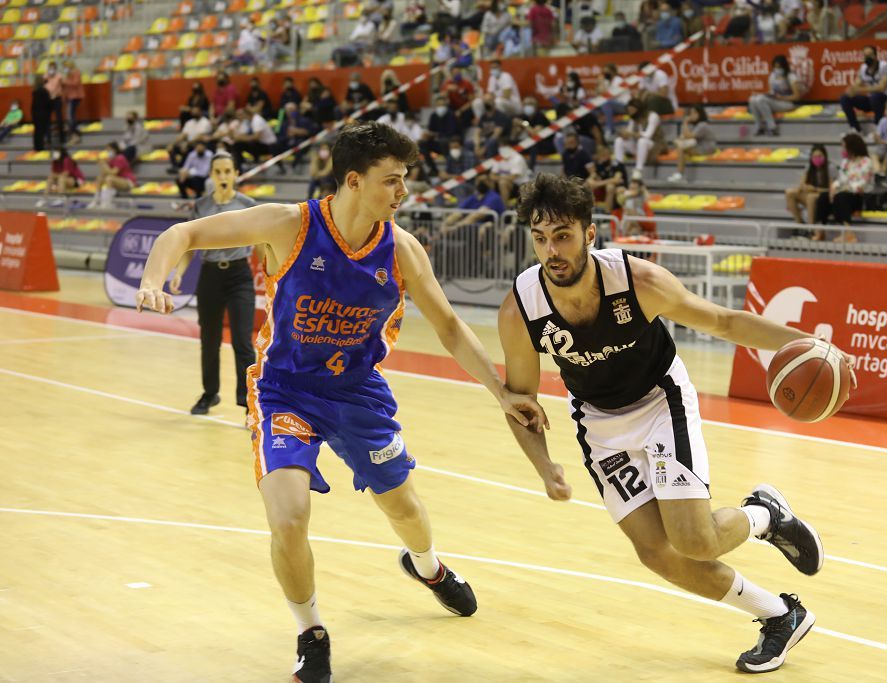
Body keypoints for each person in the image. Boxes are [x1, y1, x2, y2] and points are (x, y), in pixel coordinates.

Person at [136, 123, 547, 683]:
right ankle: (311, 632)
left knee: (403, 507)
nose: (403, 192)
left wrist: (501, 393)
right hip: (284, 389)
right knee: (289, 518)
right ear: (353, 181)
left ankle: (427, 567)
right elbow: (180, 234)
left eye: (405, 180)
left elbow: (450, 327)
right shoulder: (290, 224)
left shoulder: (401, 249)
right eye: (392, 181)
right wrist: (154, 279)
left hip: (357, 390)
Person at [499, 173, 854, 675]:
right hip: (600, 423)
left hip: (660, 401)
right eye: (540, 238)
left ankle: (764, 517)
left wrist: (813, 346)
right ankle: (780, 615)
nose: (551, 250)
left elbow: (726, 322)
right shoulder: (521, 309)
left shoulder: (638, 282)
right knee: (656, 553)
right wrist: (543, 466)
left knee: (695, 540)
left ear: (590, 234)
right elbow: (522, 401)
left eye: (562, 236)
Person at [167, 152, 259, 414]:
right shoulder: (201, 206)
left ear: (235, 174)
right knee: (209, 340)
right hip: (209, 276)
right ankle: (210, 393)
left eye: (227, 171)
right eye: (217, 172)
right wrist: (179, 272)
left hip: (239, 276)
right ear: (211, 175)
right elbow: (188, 242)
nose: (222, 176)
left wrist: (273, 274)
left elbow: (262, 242)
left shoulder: (248, 204)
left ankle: (249, 403)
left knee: (243, 342)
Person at [814, 133, 872, 242]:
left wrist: (844, 189)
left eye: (844, 147)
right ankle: (820, 232)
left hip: (858, 196)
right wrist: (833, 188)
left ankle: (848, 233)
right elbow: (840, 180)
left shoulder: (866, 162)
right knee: (823, 197)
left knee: (841, 197)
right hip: (843, 193)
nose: (842, 149)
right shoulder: (845, 162)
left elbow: (862, 184)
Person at [839, 45, 887, 133]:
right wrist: (851, 90)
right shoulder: (863, 68)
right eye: (865, 55)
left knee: (875, 97)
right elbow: (855, 85)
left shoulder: (885, 67)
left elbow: (881, 88)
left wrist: (859, 90)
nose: (867, 57)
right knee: (845, 98)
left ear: (876, 56)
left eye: (870, 55)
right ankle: (855, 129)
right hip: (873, 101)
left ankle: (879, 128)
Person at [747, 55, 804, 137]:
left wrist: (782, 98)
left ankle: (772, 128)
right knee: (752, 99)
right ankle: (759, 127)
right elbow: (771, 93)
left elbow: (797, 97)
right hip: (776, 102)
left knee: (760, 100)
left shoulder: (791, 77)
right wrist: (760, 93)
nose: (777, 69)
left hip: (788, 103)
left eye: (779, 67)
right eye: (775, 67)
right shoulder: (772, 76)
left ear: (784, 67)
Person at [613, 98, 663, 177]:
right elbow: (629, 133)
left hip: (655, 145)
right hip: (638, 146)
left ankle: (639, 169)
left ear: (639, 109)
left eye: (632, 110)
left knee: (642, 141)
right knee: (619, 140)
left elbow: (648, 135)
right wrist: (624, 134)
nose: (630, 112)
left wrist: (630, 134)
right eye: (629, 110)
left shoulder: (653, 116)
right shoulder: (633, 119)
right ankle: (618, 166)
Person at [784, 144, 830, 227]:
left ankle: (810, 228)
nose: (817, 159)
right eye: (814, 157)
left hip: (823, 196)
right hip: (810, 193)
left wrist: (815, 189)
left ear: (825, 156)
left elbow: (832, 190)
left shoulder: (830, 167)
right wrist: (803, 187)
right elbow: (801, 185)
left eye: (820, 156)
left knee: (810, 197)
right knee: (789, 192)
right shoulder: (809, 167)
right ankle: (799, 223)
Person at [667, 105, 715, 183]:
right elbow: (684, 136)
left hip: (707, 148)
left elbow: (689, 136)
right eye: (691, 113)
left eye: (694, 113)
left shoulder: (702, 125)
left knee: (681, 148)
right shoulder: (695, 125)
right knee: (680, 146)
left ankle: (679, 174)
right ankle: (681, 174)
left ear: (700, 114)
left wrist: (685, 122)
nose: (692, 115)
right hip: (699, 145)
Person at [92, 142, 138, 208]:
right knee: (100, 178)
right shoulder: (110, 160)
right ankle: (96, 200)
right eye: (107, 150)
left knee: (109, 179)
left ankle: (107, 202)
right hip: (118, 180)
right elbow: (103, 174)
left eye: (109, 150)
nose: (108, 152)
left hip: (129, 182)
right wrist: (102, 165)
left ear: (115, 150)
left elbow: (113, 173)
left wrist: (104, 165)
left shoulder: (120, 158)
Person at [43, 61, 65, 147]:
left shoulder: (59, 76)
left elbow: (61, 86)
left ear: (55, 69)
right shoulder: (45, 77)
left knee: (59, 118)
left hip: (57, 99)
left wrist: (56, 94)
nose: (51, 70)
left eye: (53, 68)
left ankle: (62, 138)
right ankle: (48, 139)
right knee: (47, 120)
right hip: (48, 100)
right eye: (50, 68)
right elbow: (44, 86)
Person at [63, 60, 84, 143]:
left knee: (70, 115)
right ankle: (74, 133)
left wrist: (65, 81)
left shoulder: (76, 72)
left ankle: (75, 134)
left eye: (66, 66)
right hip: (69, 97)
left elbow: (75, 83)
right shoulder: (67, 74)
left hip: (75, 96)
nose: (65, 68)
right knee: (70, 115)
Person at [31, 75, 51, 152]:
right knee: (41, 131)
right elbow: (48, 103)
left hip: (35, 113)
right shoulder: (44, 91)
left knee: (37, 131)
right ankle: (40, 147)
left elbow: (33, 105)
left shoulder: (34, 91)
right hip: (43, 114)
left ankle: (36, 146)